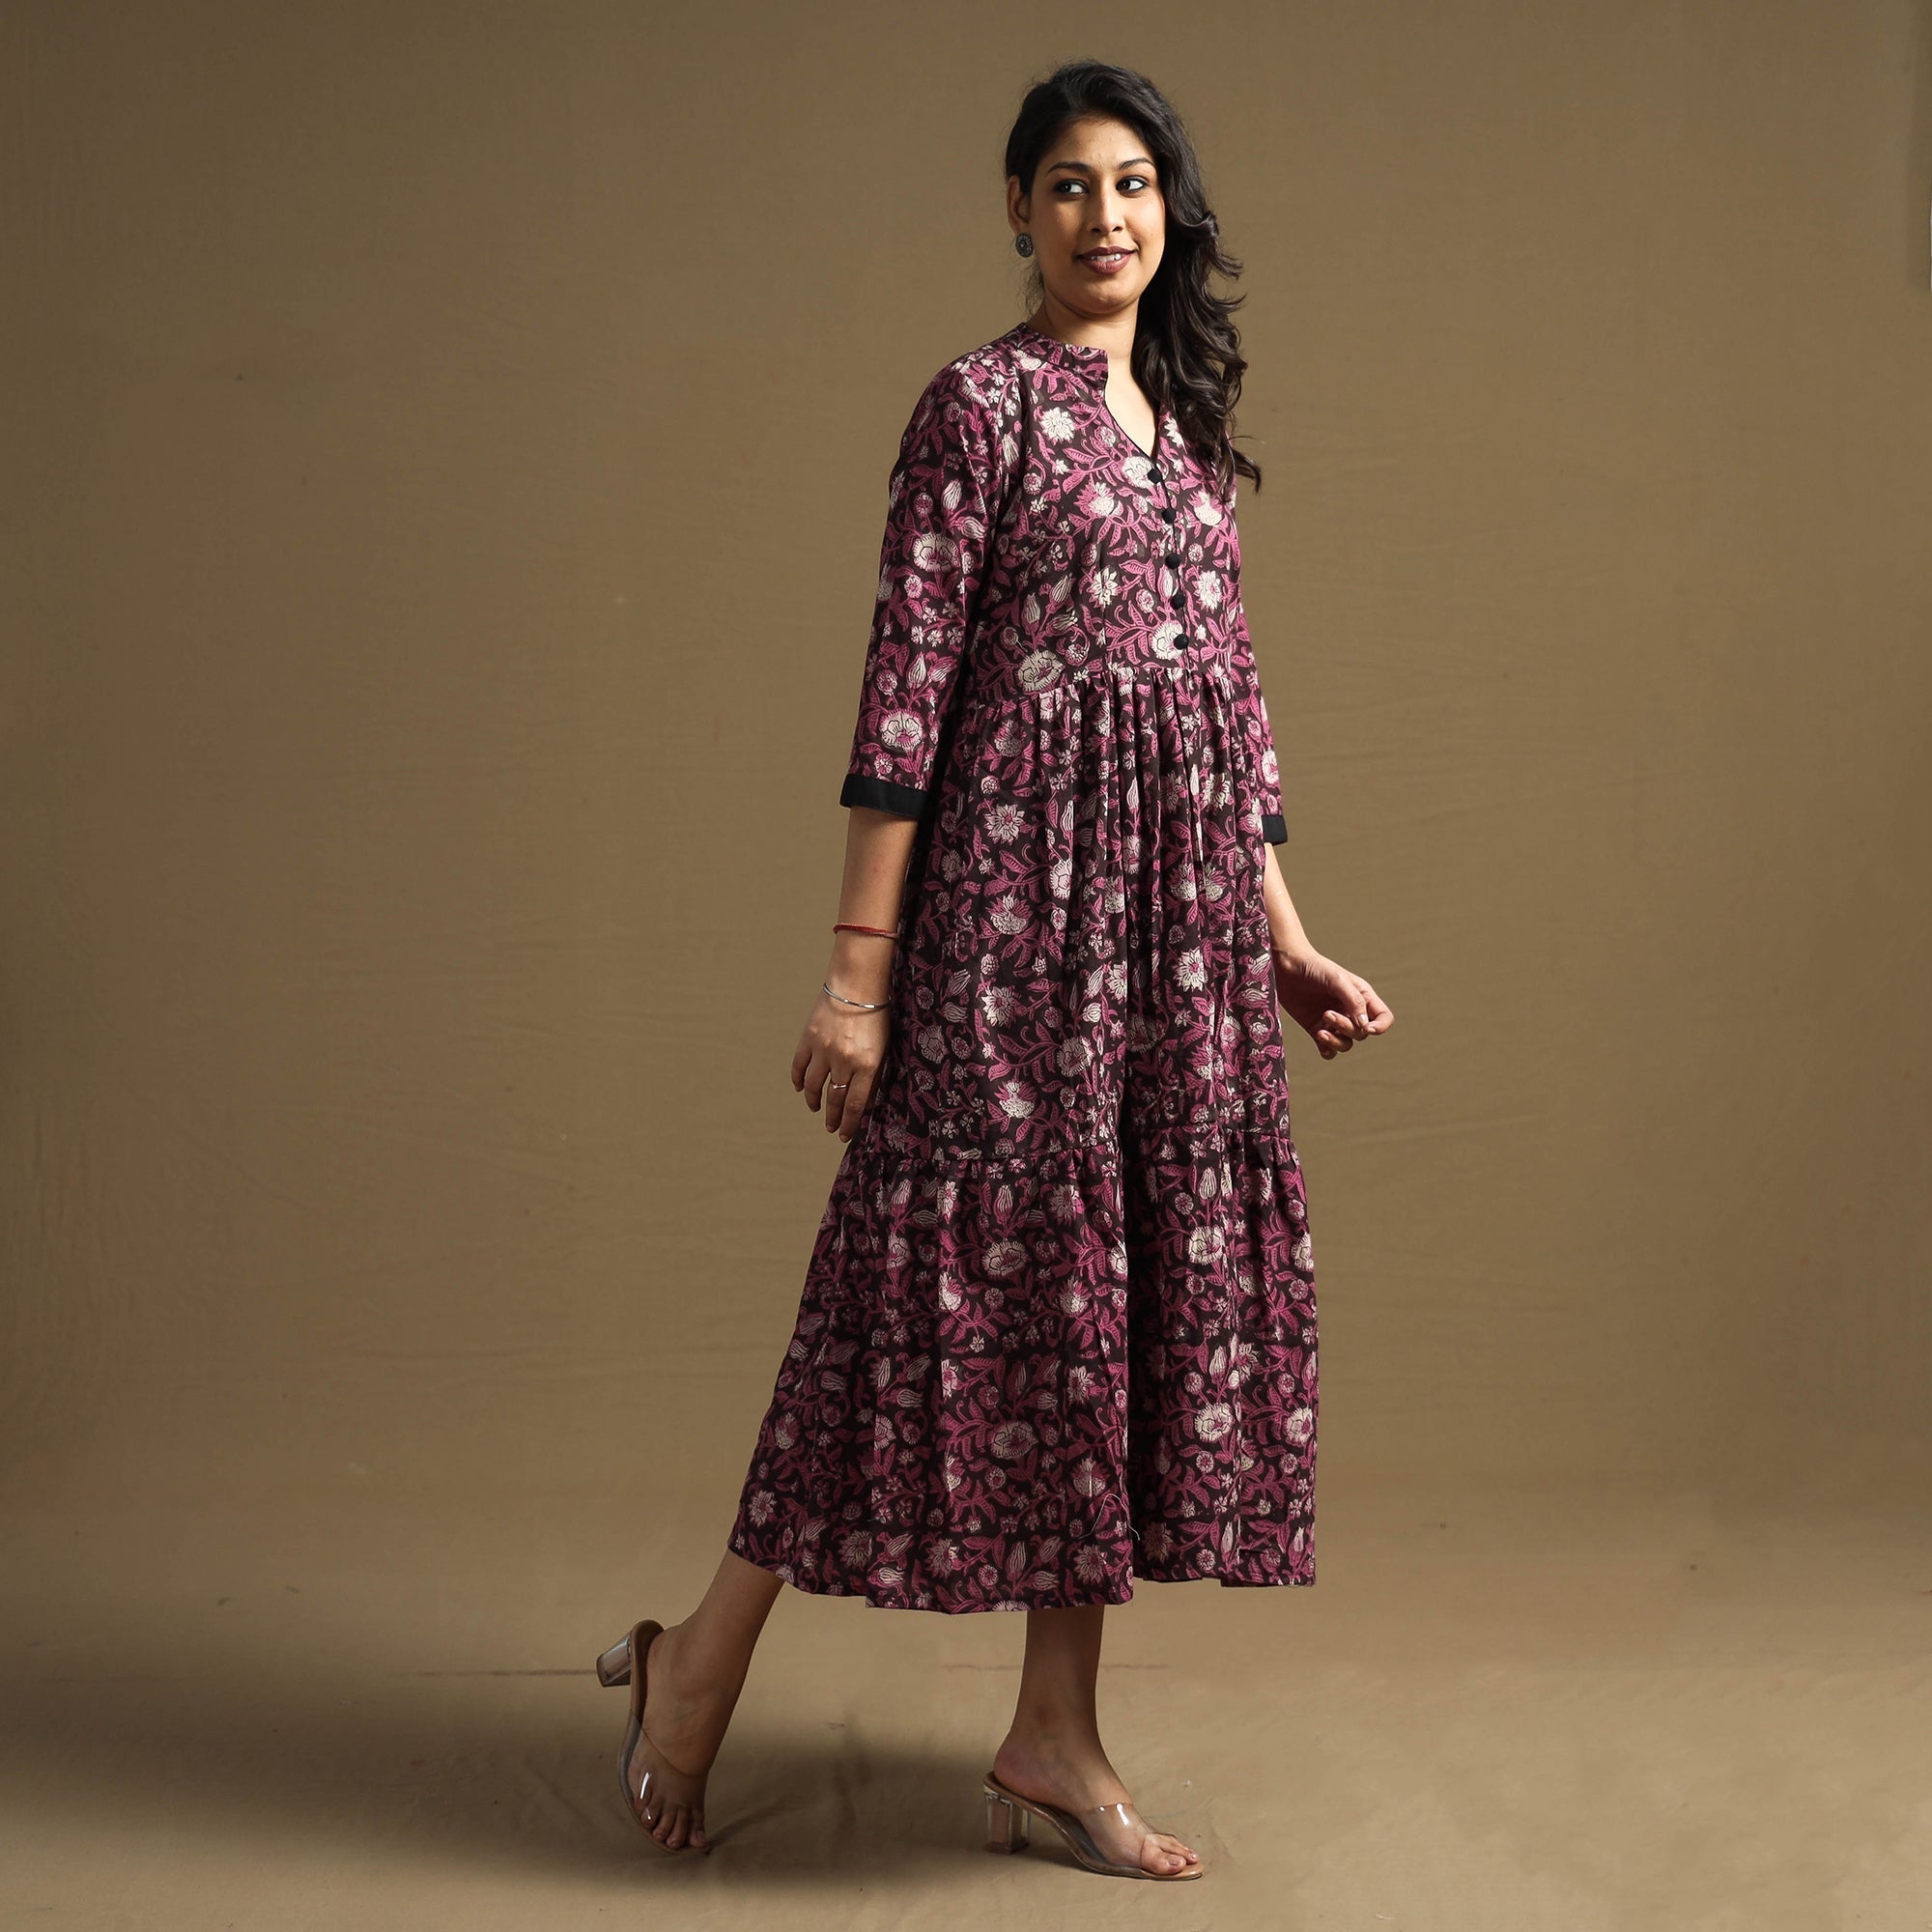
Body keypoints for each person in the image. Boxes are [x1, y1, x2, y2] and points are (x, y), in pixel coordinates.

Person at [595, 58, 1392, 1880]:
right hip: (1016, 927)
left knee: (1107, 1307)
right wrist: (857, 978)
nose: (1104, 215)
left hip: (1178, 944)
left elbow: (1229, 709)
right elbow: (905, 699)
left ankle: (1053, 1736)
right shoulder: (980, 410)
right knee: (907, 1291)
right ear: (1020, 215)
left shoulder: (1187, 435)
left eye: (1133, 183)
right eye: (1068, 185)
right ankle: (698, 1665)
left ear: (1172, 211)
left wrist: (1281, 940)